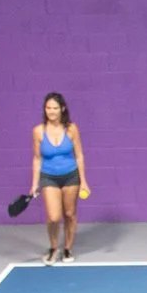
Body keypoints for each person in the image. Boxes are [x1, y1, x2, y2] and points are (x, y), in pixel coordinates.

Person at [28, 92, 89, 263]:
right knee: (54, 217)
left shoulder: (72, 129)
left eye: (55, 108)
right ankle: (54, 247)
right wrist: (34, 184)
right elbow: (37, 158)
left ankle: (67, 249)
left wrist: (83, 181)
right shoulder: (38, 131)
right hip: (49, 177)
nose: (51, 111)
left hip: (71, 176)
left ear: (62, 109)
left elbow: (79, 156)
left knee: (69, 214)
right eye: (48, 108)